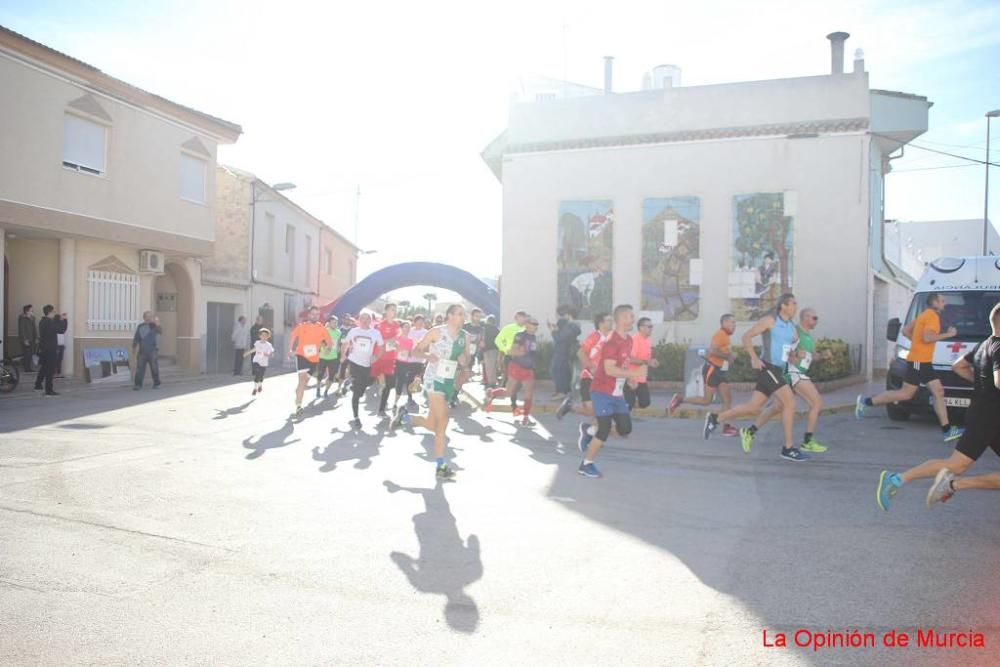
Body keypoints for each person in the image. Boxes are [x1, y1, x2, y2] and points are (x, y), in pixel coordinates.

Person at [877, 304, 1000, 510]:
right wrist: (987, 385)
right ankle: (897, 479)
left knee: (957, 464)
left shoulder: (984, 344)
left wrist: (981, 384)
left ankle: (951, 484)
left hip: (986, 416)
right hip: (987, 419)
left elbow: (958, 366)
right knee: (956, 464)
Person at [704, 293, 810, 462]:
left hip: (777, 370)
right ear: (783, 305)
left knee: (753, 407)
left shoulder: (791, 327)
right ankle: (788, 448)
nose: (796, 307)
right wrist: (754, 357)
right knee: (790, 403)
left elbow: (787, 353)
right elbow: (746, 337)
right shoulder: (770, 320)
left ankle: (716, 418)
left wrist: (797, 354)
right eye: (793, 303)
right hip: (767, 367)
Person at [856, 292, 964, 443]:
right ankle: (866, 402)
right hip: (920, 362)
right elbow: (927, 338)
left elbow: (905, 330)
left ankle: (947, 430)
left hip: (921, 361)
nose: (944, 304)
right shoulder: (932, 317)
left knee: (932, 392)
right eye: (942, 301)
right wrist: (948, 334)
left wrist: (917, 343)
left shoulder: (923, 315)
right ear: (935, 303)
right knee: (910, 393)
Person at [394, 304, 471, 481]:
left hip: (449, 381)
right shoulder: (436, 332)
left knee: (432, 424)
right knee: (443, 419)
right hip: (433, 379)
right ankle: (441, 466)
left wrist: (464, 361)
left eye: (463, 314)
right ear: (450, 316)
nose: (463, 317)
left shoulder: (465, 337)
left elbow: (467, 359)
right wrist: (428, 357)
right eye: (460, 314)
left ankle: (405, 417)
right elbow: (416, 350)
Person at [750, 307, 834, 453]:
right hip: (792, 372)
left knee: (778, 407)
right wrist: (794, 356)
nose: (816, 321)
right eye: (814, 318)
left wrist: (823, 356)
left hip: (795, 374)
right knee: (817, 403)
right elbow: (784, 351)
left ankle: (750, 431)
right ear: (805, 318)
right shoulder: (794, 332)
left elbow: (811, 356)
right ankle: (807, 441)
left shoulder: (808, 336)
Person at [576, 304, 645, 478]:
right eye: (630, 316)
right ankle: (586, 464)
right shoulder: (611, 342)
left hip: (617, 392)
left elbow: (624, 362)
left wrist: (630, 378)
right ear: (621, 319)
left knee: (625, 429)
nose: (633, 319)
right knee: (604, 429)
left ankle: (589, 431)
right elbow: (609, 369)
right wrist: (634, 373)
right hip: (601, 390)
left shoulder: (628, 340)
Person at [668, 314, 738, 436]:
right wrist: (728, 356)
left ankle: (726, 427)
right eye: (732, 322)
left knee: (727, 399)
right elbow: (712, 351)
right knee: (706, 401)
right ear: (724, 323)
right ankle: (680, 399)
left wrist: (730, 358)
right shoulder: (720, 335)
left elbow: (724, 353)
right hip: (713, 370)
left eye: (735, 323)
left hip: (722, 371)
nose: (734, 325)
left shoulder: (726, 336)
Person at [556, 312, 612, 453]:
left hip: (604, 381)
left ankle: (591, 433)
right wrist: (592, 367)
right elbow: (581, 353)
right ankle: (571, 407)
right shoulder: (595, 336)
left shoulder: (610, 338)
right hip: (589, 378)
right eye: (608, 320)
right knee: (593, 410)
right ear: (600, 323)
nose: (611, 322)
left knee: (601, 412)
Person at [485, 317, 540, 426]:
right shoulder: (520, 335)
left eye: (537, 324)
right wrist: (520, 352)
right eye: (534, 324)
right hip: (517, 367)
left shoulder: (533, 337)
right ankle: (491, 393)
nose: (536, 326)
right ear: (527, 324)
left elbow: (532, 352)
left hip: (528, 369)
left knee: (529, 393)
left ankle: (525, 417)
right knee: (509, 392)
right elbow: (513, 351)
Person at [286, 306, 332, 417]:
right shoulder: (302, 326)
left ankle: (298, 394)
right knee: (302, 381)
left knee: (304, 383)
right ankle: (298, 406)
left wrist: (326, 350)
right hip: (301, 356)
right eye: (313, 314)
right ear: (309, 315)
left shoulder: (322, 328)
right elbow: (293, 337)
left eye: (317, 314)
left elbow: (329, 342)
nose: (315, 316)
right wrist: (290, 350)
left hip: (314, 359)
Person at [342, 312, 384, 430]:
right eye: (363, 318)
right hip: (354, 362)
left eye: (367, 319)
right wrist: (342, 355)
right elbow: (345, 343)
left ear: (371, 321)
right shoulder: (354, 331)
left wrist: (376, 357)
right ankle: (356, 418)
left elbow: (382, 347)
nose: (365, 321)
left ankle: (349, 384)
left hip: (367, 365)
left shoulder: (375, 333)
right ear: (359, 320)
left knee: (365, 387)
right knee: (357, 393)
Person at [372, 303, 402, 418]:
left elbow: (393, 342)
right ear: (386, 311)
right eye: (392, 310)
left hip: (390, 358)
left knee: (390, 384)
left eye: (395, 310)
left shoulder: (396, 325)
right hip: (379, 357)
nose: (394, 312)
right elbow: (379, 341)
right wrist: (392, 339)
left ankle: (381, 411)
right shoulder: (380, 325)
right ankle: (353, 384)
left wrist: (397, 344)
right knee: (369, 381)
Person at [623, 317, 659, 410]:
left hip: (642, 378)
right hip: (631, 378)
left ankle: (621, 408)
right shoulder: (634, 340)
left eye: (652, 326)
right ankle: (620, 413)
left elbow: (645, 359)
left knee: (645, 403)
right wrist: (647, 362)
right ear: (641, 328)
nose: (651, 329)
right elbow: (629, 359)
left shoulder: (647, 340)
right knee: (628, 405)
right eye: (649, 326)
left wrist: (652, 362)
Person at [549, 305, 581, 399]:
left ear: (568, 315)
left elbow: (559, 338)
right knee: (563, 371)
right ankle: (563, 391)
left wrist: (553, 331)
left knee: (557, 370)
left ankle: (562, 392)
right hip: (564, 350)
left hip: (563, 351)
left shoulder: (571, 326)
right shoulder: (570, 325)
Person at [132, 311, 162, 390]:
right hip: (142, 351)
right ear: (144, 317)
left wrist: (158, 323)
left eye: (150, 316)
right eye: (147, 316)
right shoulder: (140, 326)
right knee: (140, 369)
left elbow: (160, 331)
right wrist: (134, 347)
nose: (149, 318)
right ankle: (138, 385)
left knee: (154, 368)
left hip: (152, 351)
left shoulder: (154, 325)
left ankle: (156, 383)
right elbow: (137, 337)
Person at [33, 305, 59, 396]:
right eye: (53, 311)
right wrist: (65, 321)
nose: (54, 313)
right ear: (49, 312)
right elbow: (61, 330)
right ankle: (49, 390)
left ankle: (38, 384)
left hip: (44, 348)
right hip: (50, 349)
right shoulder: (49, 323)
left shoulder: (42, 321)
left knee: (44, 367)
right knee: (50, 370)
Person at [317, 315, 343, 398]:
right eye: (333, 322)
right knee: (320, 375)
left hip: (333, 358)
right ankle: (318, 390)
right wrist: (325, 348)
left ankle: (326, 391)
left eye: (336, 322)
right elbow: (320, 340)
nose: (335, 324)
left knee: (332, 376)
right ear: (329, 323)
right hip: (323, 357)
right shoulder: (325, 330)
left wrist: (339, 349)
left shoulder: (339, 332)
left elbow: (338, 343)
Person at [244, 327, 274, 396]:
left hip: (264, 363)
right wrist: (246, 353)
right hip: (256, 361)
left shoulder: (268, 345)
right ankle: (255, 389)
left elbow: (272, 353)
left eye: (265, 336)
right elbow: (254, 349)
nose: (264, 337)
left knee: (261, 376)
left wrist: (268, 354)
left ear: (267, 337)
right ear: (260, 336)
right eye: (262, 335)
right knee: (257, 374)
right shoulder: (257, 343)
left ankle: (260, 385)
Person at [482, 314, 501, 388]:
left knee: (489, 366)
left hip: (487, 349)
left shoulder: (484, 328)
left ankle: (491, 383)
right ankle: (493, 381)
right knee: (493, 366)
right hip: (495, 349)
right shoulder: (496, 329)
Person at [18, 304, 37, 372]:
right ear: (27, 311)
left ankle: (28, 367)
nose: (32, 310)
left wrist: (36, 337)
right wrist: (24, 339)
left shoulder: (32, 317)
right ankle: (27, 368)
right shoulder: (22, 317)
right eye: (31, 309)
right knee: (27, 353)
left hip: (32, 338)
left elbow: (34, 328)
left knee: (30, 353)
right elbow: (21, 329)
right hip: (26, 339)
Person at [53, 312, 68, 378]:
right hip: (56, 345)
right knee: (56, 359)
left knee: (60, 359)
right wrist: (64, 320)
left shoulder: (59, 324)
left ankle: (58, 372)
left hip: (61, 344)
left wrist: (65, 319)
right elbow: (62, 329)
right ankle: (54, 373)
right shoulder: (55, 325)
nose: (62, 319)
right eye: (61, 318)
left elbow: (64, 329)